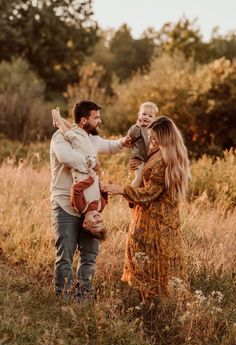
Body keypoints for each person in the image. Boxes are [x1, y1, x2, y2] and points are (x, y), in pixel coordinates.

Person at [50, 100, 131, 301]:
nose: (99, 121)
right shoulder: (60, 137)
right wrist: (92, 162)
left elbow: (110, 146)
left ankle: (84, 298)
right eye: (96, 118)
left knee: (89, 257)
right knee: (65, 256)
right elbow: (65, 157)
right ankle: (64, 299)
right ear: (84, 120)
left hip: (90, 211)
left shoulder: (91, 139)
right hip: (65, 206)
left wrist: (124, 141)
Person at [104, 116, 190, 303]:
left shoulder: (165, 160)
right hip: (158, 219)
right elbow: (145, 180)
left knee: (152, 262)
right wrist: (139, 169)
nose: (151, 142)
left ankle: (153, 307)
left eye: (154, 138)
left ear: (165, 138)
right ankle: (151, 305)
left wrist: (121, 190)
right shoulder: (164, 153)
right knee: (152, 262)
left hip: (155, 222)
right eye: (150, 137)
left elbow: (149, 193)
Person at [52, 108, 107, 241]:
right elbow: (104, 195)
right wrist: (102, 188)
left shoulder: (81, 207)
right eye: (101, 222)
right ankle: (60, 120)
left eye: (95, 224)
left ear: (85, 223)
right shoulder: (101, 206)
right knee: (81, 138)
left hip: (82, 172)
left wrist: (90, 181)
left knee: (75, 138)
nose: (98, 220)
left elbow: (76, 189)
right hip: (91, 170)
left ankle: (59, 123)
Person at [128, 102, 159, 187]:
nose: (146, 117)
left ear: (154, 118)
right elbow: (131, 135)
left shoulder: (151, 130)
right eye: (144, 114)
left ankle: (139, 196)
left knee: (144, 180)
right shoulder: (137, 127)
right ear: (139, 115)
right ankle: (131, 195)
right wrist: (138, 124)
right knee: (139, 178)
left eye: (150, 116)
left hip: (146, 158)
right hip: (138, 158)